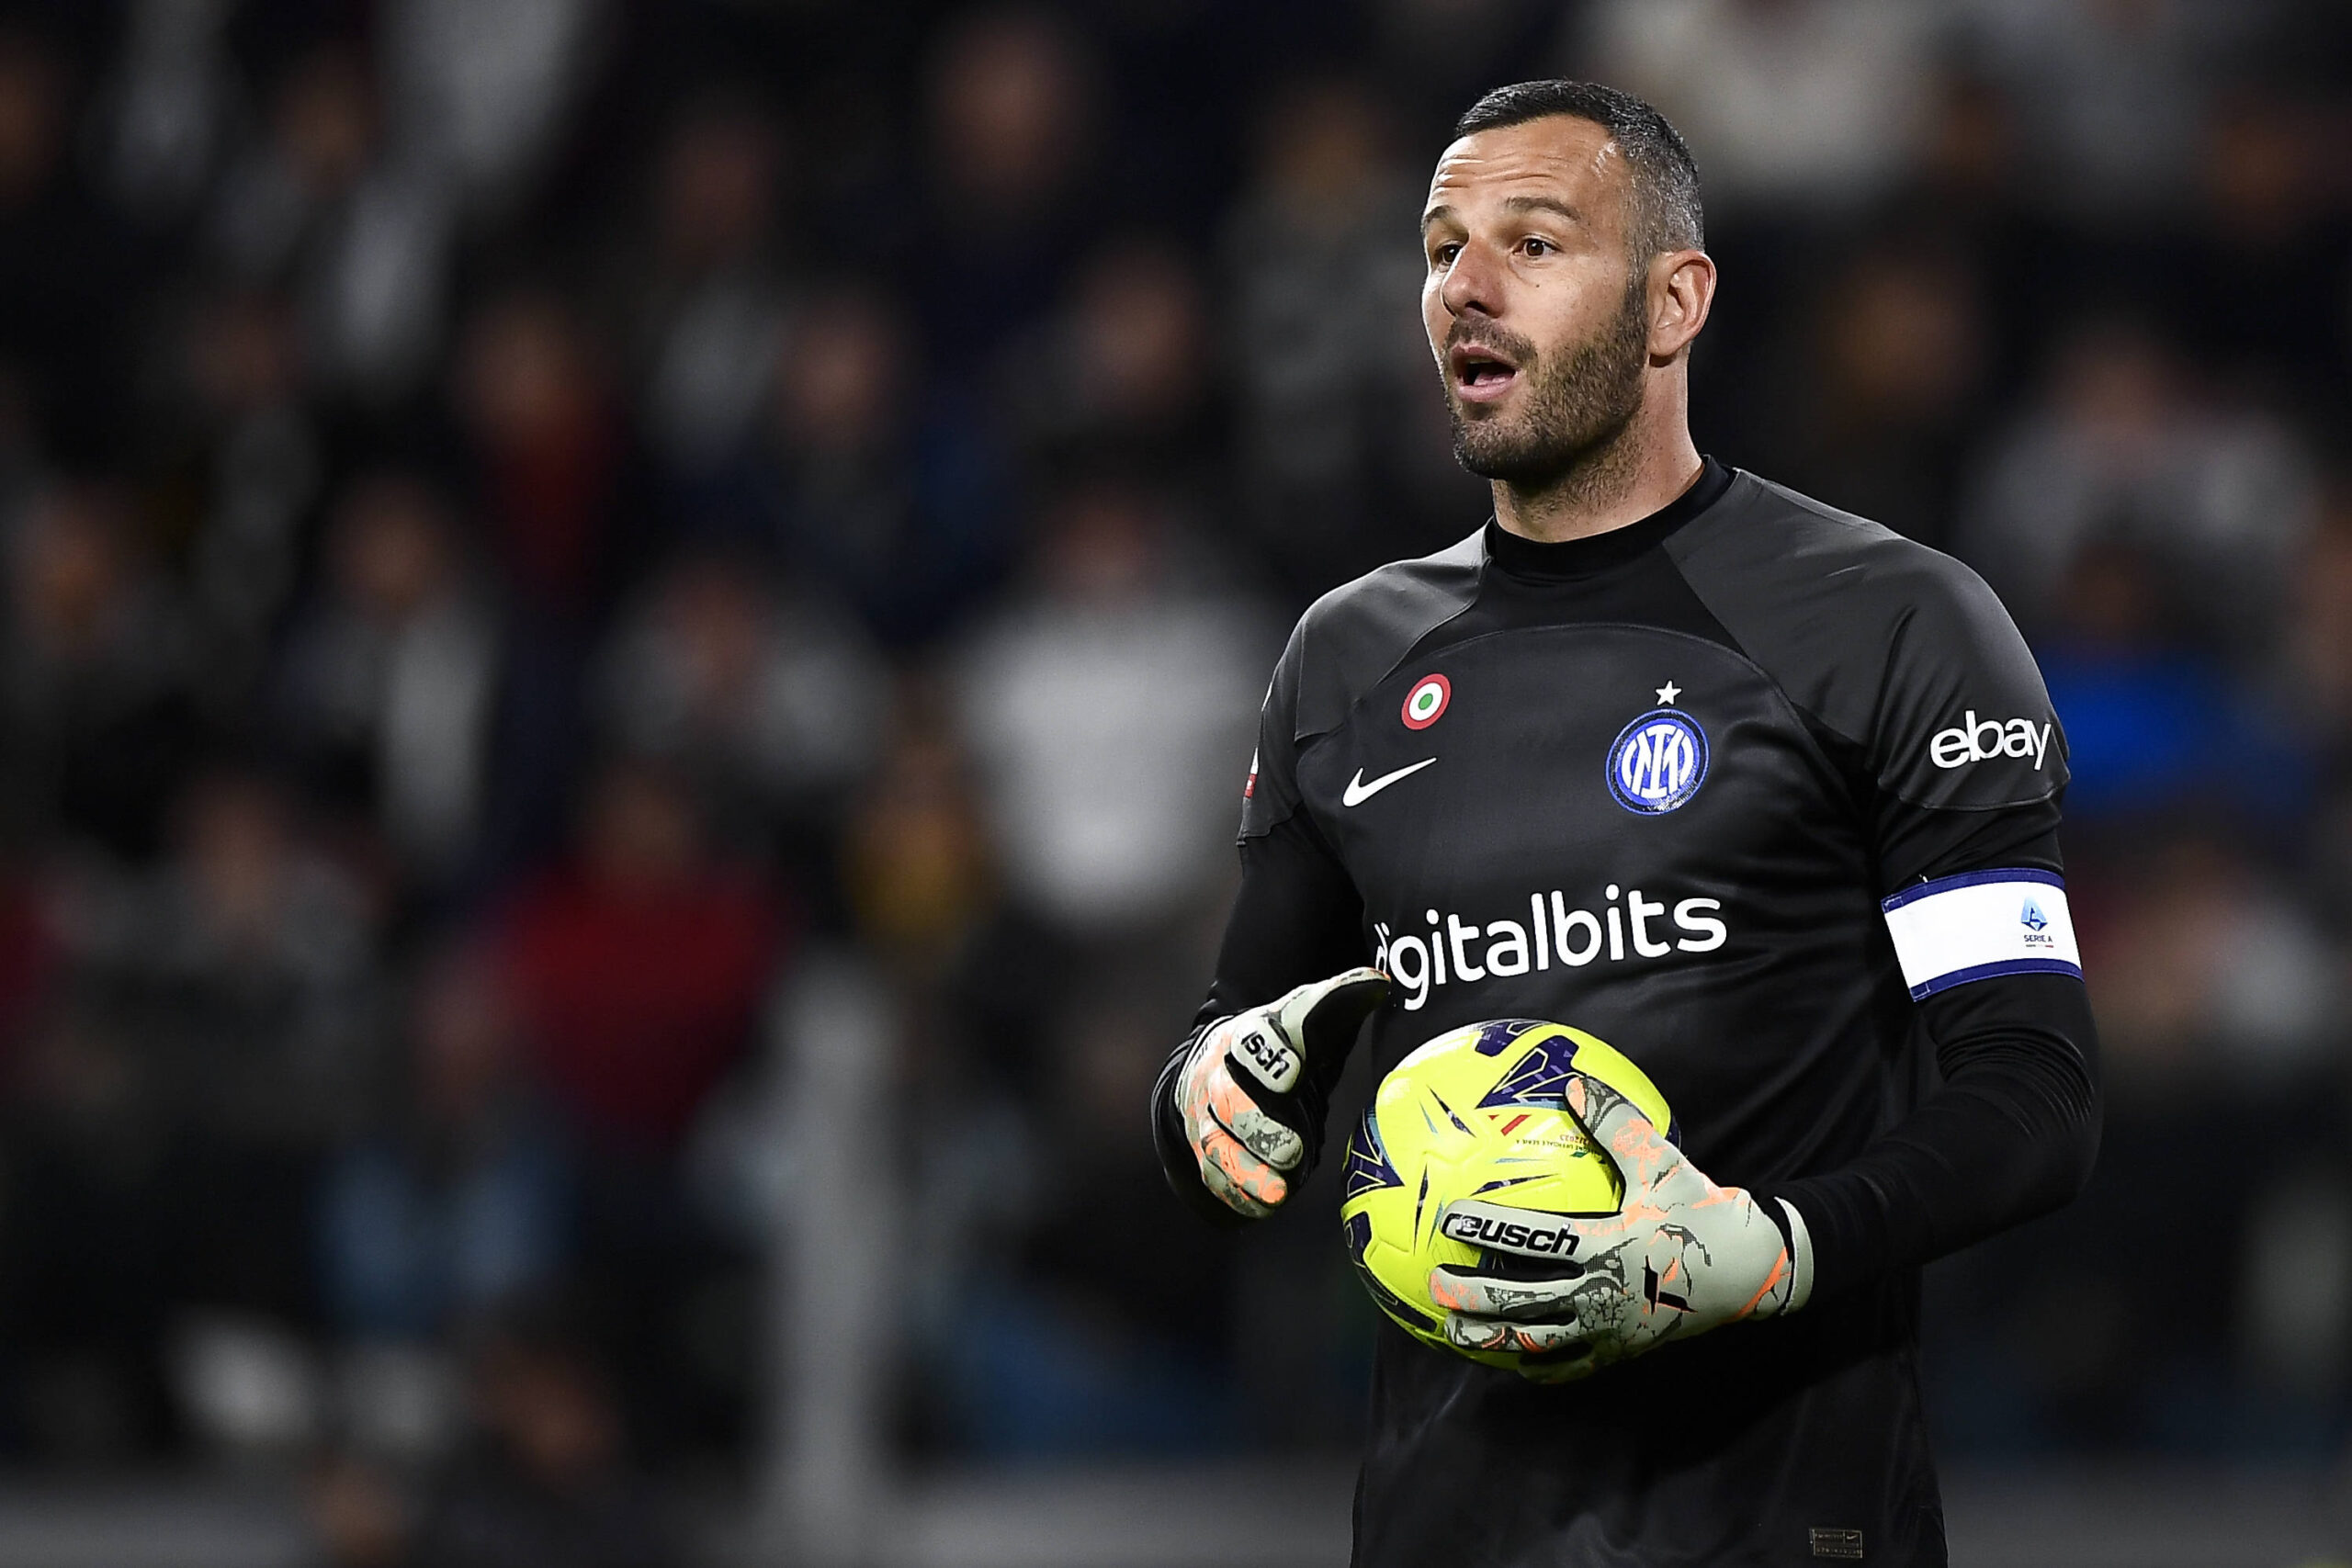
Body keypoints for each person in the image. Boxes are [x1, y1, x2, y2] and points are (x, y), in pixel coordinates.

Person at [1150, 81, 2099, 1566]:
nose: (1462, 288)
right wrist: (1209, 1103)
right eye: (1440, 244)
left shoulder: (1890, 624)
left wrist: (1771, 1251)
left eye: (1532, 243)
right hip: (1442, 1532)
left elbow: (2035, 1096)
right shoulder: (1345, 660)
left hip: (1783, 1523)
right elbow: (1231, 1056)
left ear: (1675, 304)